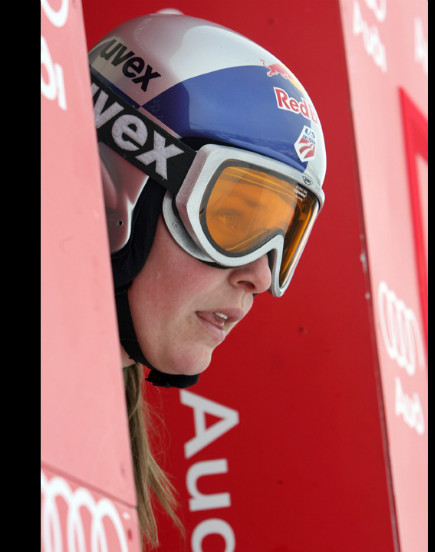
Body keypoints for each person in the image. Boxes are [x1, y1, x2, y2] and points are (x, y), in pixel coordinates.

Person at [89, 12, 327, 547]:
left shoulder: (101, 464)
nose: (261, 276)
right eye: (233, 219)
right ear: (120, 184)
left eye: (281, 238)